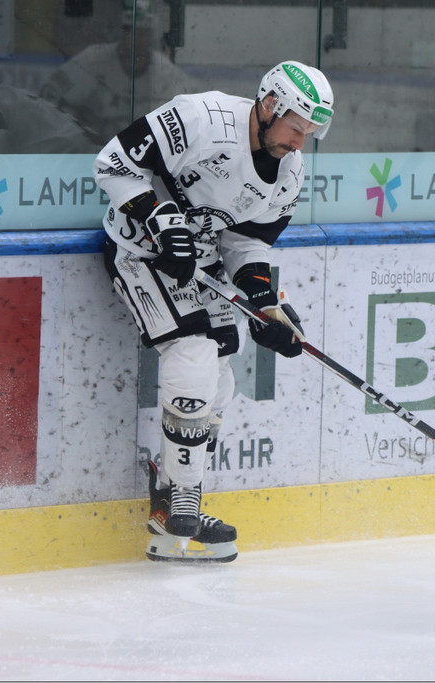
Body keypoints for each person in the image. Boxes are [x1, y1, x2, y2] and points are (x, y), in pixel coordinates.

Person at [94, 61, 334, 563]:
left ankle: (169, 503)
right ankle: (184, 499)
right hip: (140, 250)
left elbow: (247, 243)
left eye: (310, 133)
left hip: (202, 266)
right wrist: (158, 219)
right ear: (270, 105)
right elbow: (113, 163)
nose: (300, 143)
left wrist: (264, 303)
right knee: (194, 354)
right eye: (296, 128)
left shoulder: (288, 172)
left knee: (220, 380)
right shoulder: (201, 118)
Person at [40, 1, 191, 147]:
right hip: (90, 153)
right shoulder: (92, 60)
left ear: (152, 36)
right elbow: (48, 98)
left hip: (143, 157)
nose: (133, 39)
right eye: (128, 30)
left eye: (142, 33)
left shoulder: (169, 76)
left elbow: (186, 125)